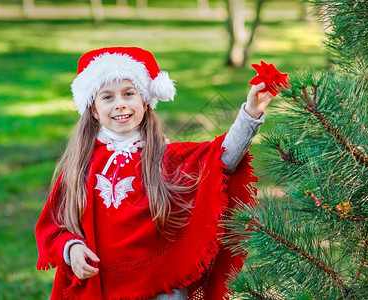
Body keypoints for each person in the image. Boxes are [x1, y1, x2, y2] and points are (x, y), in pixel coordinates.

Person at [35, 47, 274, 300]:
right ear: (93, 109)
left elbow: (220, 158)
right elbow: (53, 226)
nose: (120, 104)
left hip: (160, 283)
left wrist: (251, 113)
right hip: (100, 284)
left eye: (129, 94)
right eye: (107, 97)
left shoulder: (165, 155)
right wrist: (70, 249)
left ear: (145, 100)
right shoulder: (80, 164)